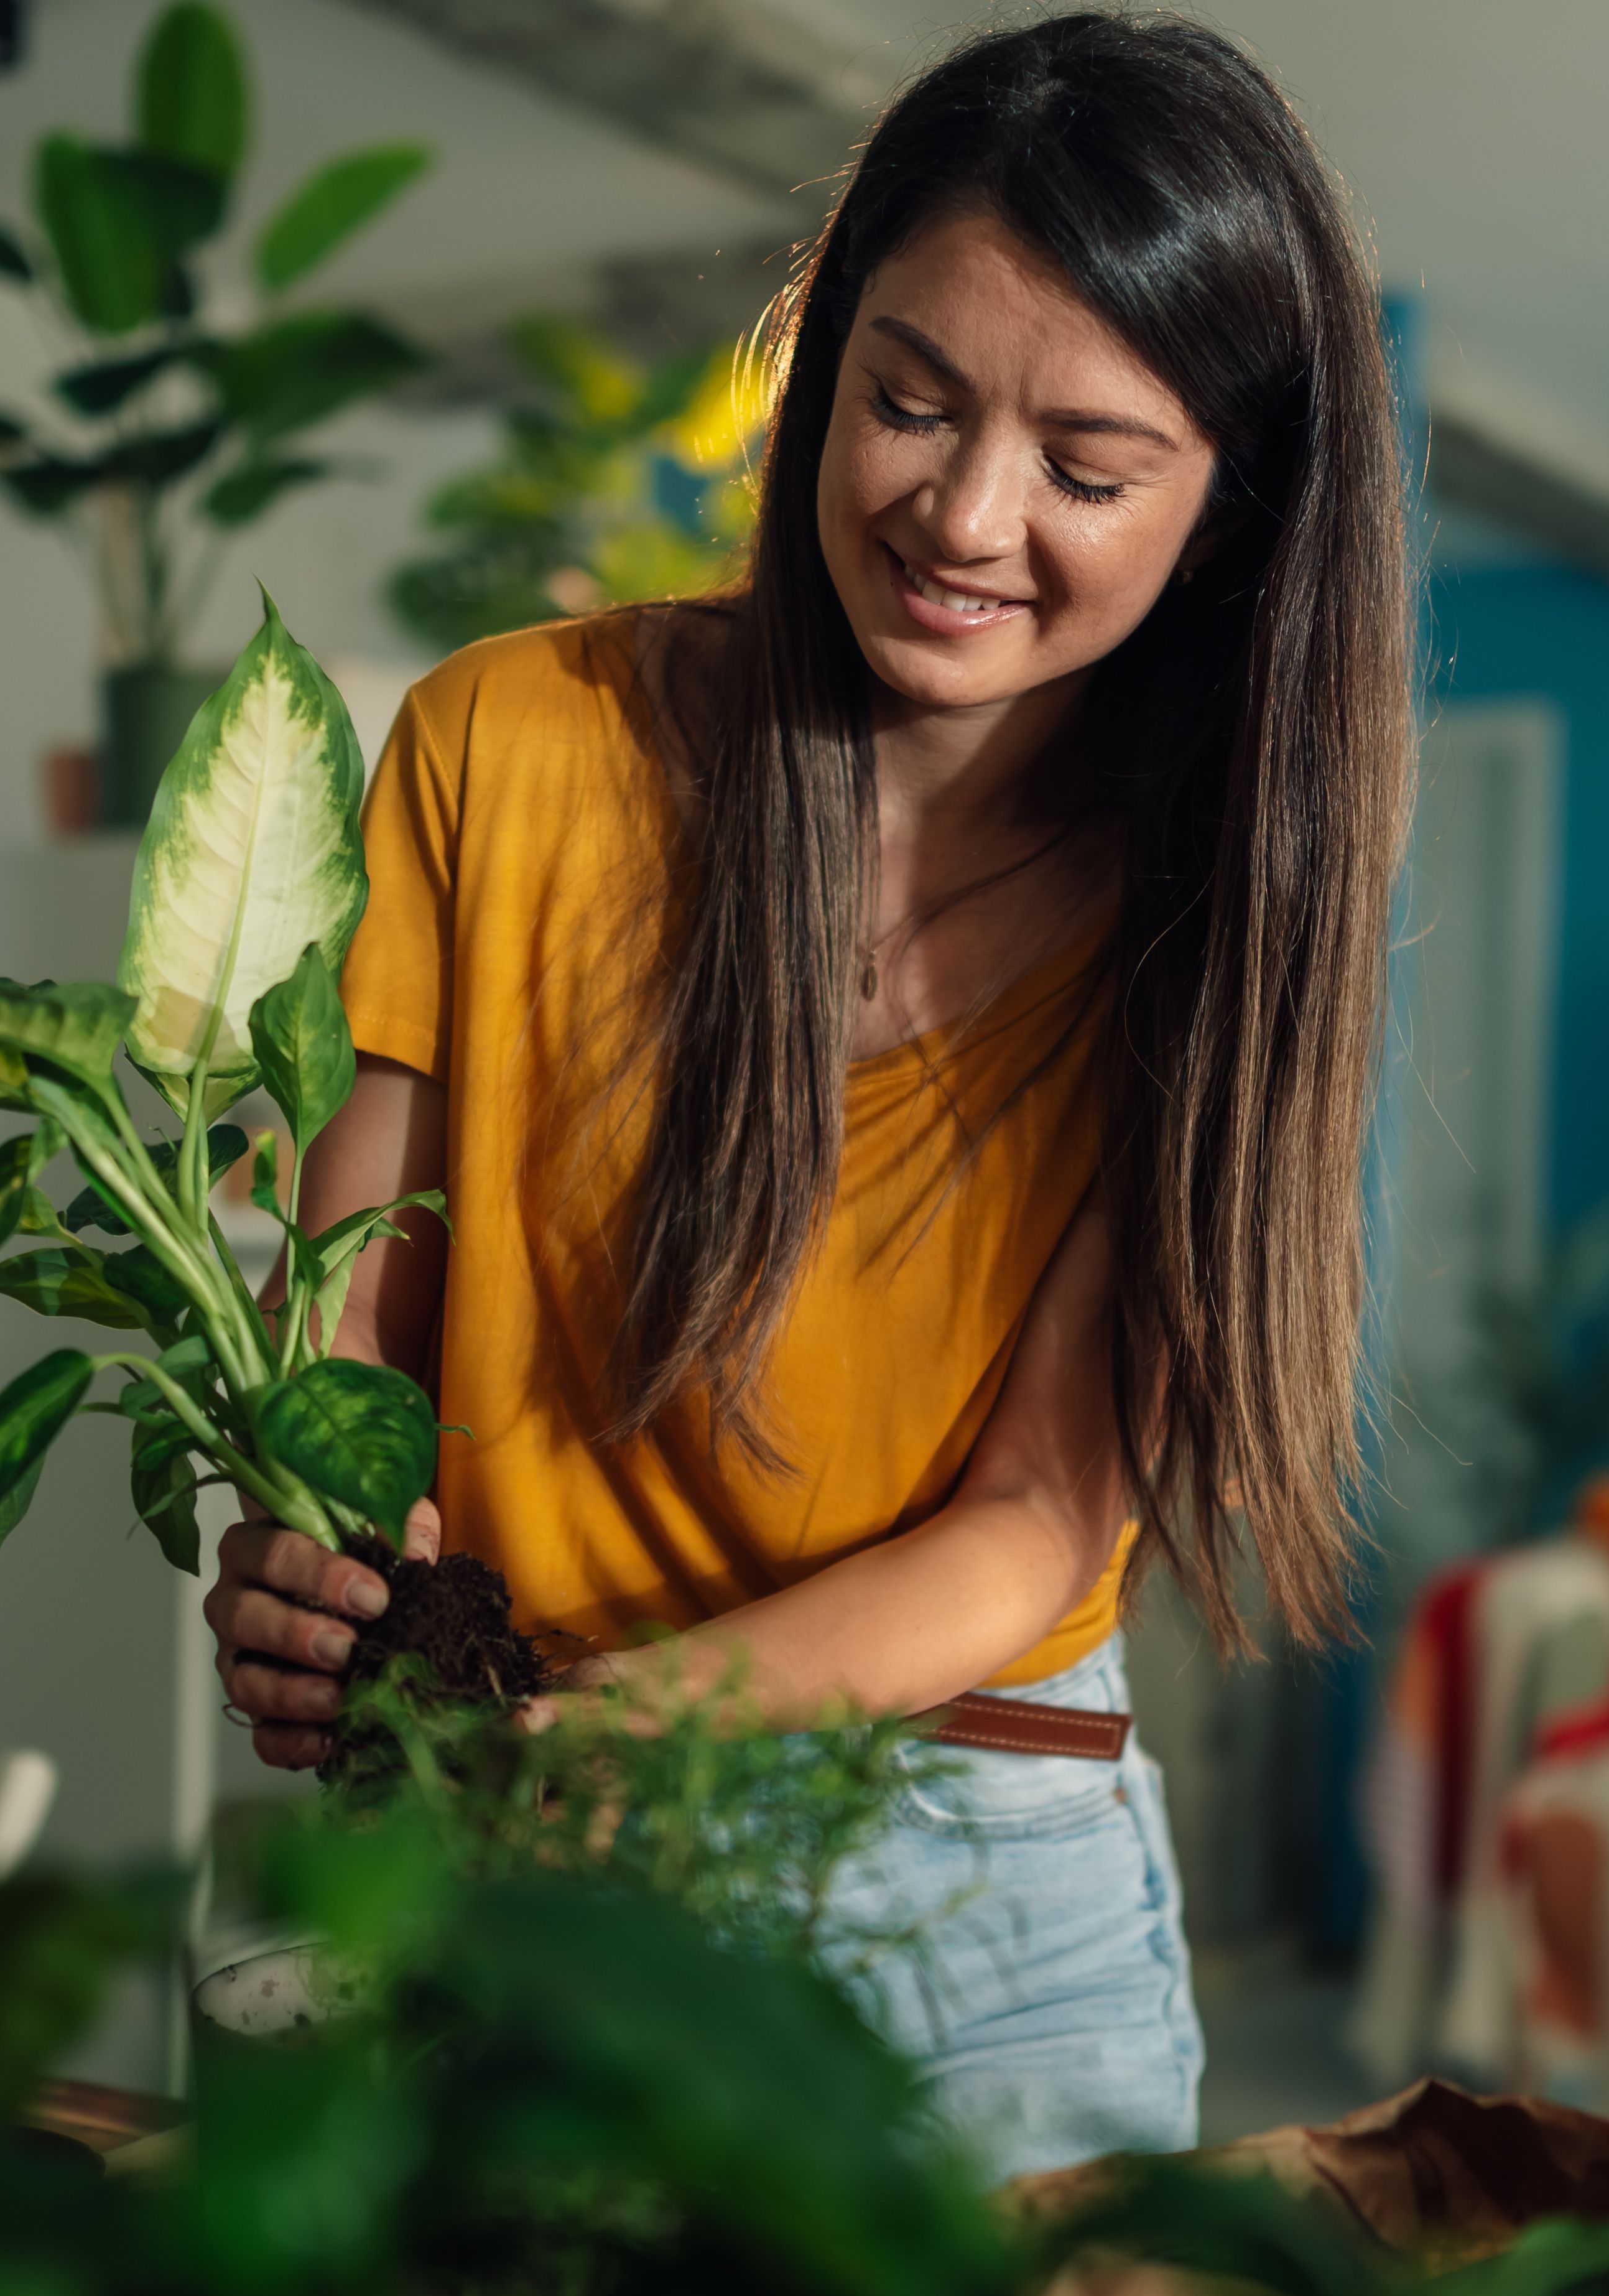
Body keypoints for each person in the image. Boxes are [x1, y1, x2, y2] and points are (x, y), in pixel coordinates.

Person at [200, 11, 1410, 2178]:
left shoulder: (1207, 912)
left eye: (1088, 466)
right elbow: (351, 1313)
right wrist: (318, 1564)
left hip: (969, 1872)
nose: (962, 514)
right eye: (906, 400)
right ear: (817, 359)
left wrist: (600, 1741)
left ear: (1229, 504)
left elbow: (1038, 1518)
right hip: (513, 1846)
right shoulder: (511, 744)